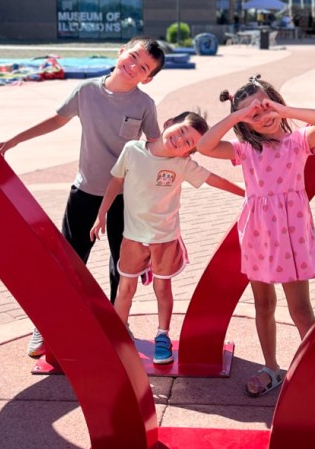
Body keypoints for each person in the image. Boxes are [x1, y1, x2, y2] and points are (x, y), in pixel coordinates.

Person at [0, 37, 166, 359]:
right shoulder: (86, 91)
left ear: (148, 78)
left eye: (143, 67)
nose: (133, 67)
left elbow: (155, 147)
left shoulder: (144, 105)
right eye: (132, 57)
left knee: (122, 265)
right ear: (121, 53)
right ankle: (46, 325)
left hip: (125, 199)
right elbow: (57, 120)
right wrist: (15, 141)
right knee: (69, 262)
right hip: (85, 192)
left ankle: (120, 324)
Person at [196, 75, 315, 397]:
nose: (263, 117)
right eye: (253, 114)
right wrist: (236, 116)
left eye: (265, 107)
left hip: (292, 232)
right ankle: (272, 367)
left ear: (276, 102)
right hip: (259, 232)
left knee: (300, 307)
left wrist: (283, 110)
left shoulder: (299, 140)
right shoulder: (244, 150)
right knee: (263, 303)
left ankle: (314, 371)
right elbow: (204, 146)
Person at [90, 111, 244, 364]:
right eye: (181, 131)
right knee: (125, 288)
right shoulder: (132, 150)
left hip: (165, 239)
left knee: (162, 288)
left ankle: (162, 336)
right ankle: (118, 336)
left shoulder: (182, 165)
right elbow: (116, 182)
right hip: (133, 237)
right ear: (169, 124)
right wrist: (101, 214)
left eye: (188, 143)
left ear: (188, 153)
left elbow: (214, 180)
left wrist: (247, 195)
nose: (180, 140)